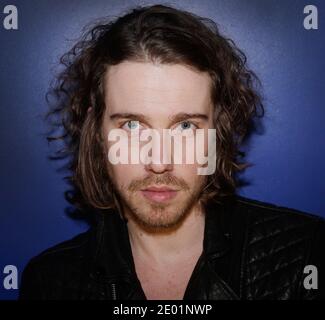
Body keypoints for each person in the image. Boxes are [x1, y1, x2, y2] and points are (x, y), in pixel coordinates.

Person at [19, 4, 324, 300]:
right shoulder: (49, 281)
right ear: (97, 134)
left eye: (185, 127)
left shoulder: (306, 257)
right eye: (133, 126)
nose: (160, 163)